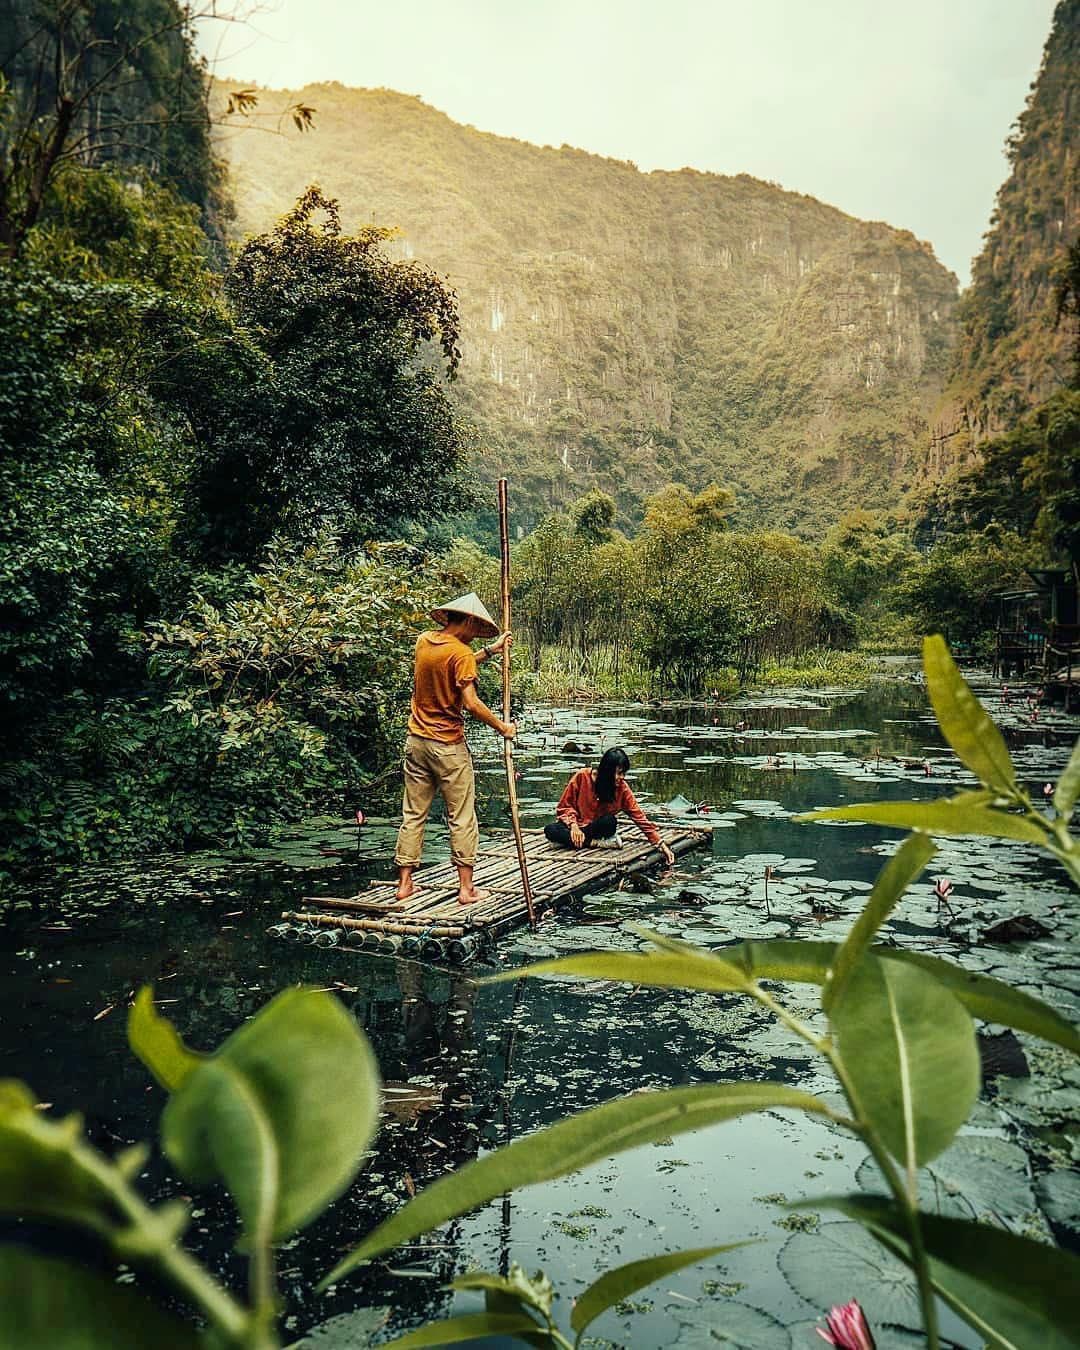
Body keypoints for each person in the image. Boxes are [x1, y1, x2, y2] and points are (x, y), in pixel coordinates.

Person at [395, 592, 515, 906]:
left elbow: (450, 664)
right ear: (469, 621)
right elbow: (471, 702)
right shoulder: (460, 653)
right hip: (447, 745)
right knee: (461, 816)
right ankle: (467, 889)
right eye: (477, 627)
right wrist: (503, 727)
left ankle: (404, 884)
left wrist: (489, 651)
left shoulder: (424, 641)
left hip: (416, 741)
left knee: (413, 814)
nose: (477, 633)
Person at [545, 747, 675, 865]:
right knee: (550, 829)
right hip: (577, 826)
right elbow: (564, 807)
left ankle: (570, 841)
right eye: (618, 773)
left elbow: (639, 817)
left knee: (610, 821)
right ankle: (593, 843)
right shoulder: (582, 776)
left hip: (597, 828)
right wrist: (573, 826)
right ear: (607, 771)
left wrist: (661, 844)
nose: (622, 777)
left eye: (623, 773)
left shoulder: (622, 789)